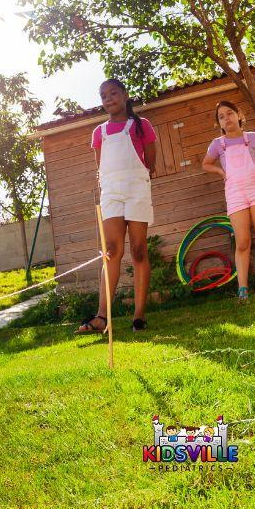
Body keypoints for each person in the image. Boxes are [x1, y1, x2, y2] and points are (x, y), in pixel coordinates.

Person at [77, 78, 158, 334]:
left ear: (124, 95)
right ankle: (102, 317)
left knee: (138, 250)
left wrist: (139, 179)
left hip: (137, 190)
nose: (108, 98)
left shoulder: (141, 126)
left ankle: (139, 316)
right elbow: (101, 168)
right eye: (103, 96)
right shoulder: (99, 133)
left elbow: (150, 161)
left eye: (113, 93)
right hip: (111, 193)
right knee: (111, 250)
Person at [202, 100, 255, 300]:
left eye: (229, 113)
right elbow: (206, 164)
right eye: (221, 117)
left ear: (239, 114)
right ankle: (243, 289)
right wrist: (220, 171)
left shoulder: (251, 138)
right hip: (235, 194)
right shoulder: (217, 144)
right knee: (243, 242)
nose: (226, 118)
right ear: (219, 123)